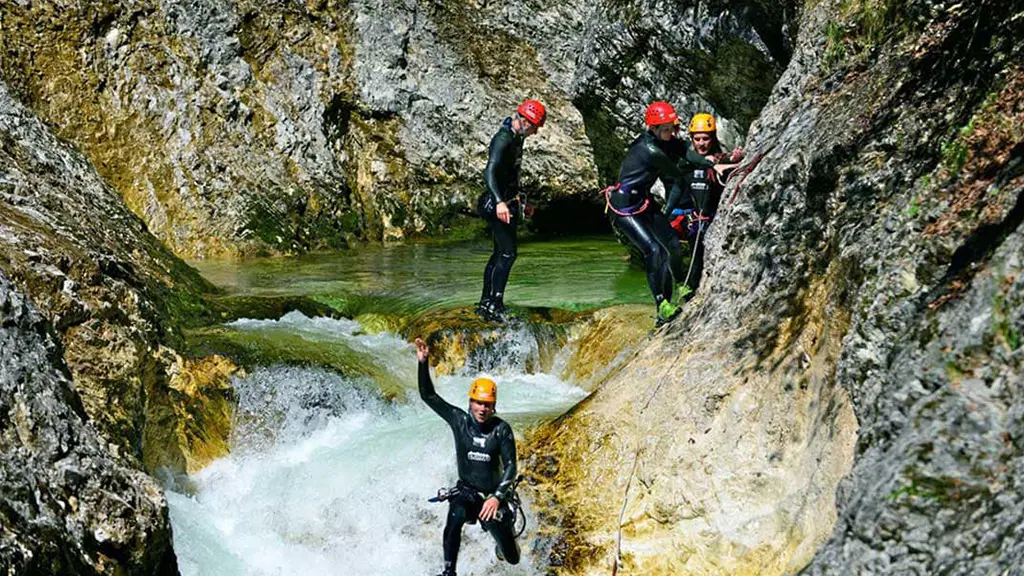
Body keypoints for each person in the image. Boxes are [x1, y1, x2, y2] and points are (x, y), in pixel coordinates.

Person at [606, 101, 730, 326]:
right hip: (623, 208)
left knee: (672, 242)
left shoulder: (665, 141)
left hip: (643, 201)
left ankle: (681, 282)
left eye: (673, 128)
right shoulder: (650, 150)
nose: (672, 132)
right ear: (653, 129)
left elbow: (686, 152)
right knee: (654, 250)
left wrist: (713, 165)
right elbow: (679, 174)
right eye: (666, 129)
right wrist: (709, 165)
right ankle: (662, 304)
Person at [416, 338, 520, 576]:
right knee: (455, 514)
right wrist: (423, 363)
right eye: (478, 403)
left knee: (512, 559)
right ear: (470, 402)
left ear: (493, 406)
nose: (482, 409)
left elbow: (511, 466)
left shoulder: (501, 429)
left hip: (493, 498)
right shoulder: (459, 421)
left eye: (487, 404)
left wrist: (496, 498)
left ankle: (502, 548)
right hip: (468, 493)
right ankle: (448, 571)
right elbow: (428, 396)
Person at [475, 99, 546, 323]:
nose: (535, 132)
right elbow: (490, 172)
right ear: (524, 121)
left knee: (500, 253)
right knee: (508, 253)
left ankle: (486, 304)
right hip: (495, 203)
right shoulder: (503, 139)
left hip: (507, 200)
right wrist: (499, 202)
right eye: (534, 127)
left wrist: (522, 200)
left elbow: (511, 175)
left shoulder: (517, 138)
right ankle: (494, 304)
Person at [664, 112, 743, 299]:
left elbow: (727, 159)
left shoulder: (721, 159)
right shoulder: (686, 162)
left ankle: (693, 290)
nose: (701, 143)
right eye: (697, 139)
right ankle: (687, 291)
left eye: (705, 139)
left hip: (713, 218)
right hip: (694, 220)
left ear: (712, 138)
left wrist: (733, 160)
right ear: (691, 139)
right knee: (694, 253)